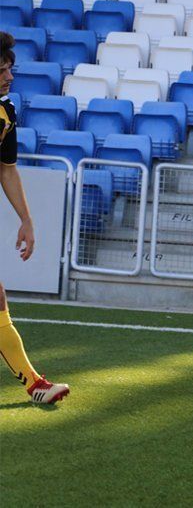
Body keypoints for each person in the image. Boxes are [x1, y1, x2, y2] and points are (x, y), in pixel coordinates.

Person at [0, 32, 69, 405]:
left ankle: (34, 384)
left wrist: (26, 219)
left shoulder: (6, 113)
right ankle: (33, 384)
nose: (9, 78)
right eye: (0, 71)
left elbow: (6, 169)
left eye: (10, 70)